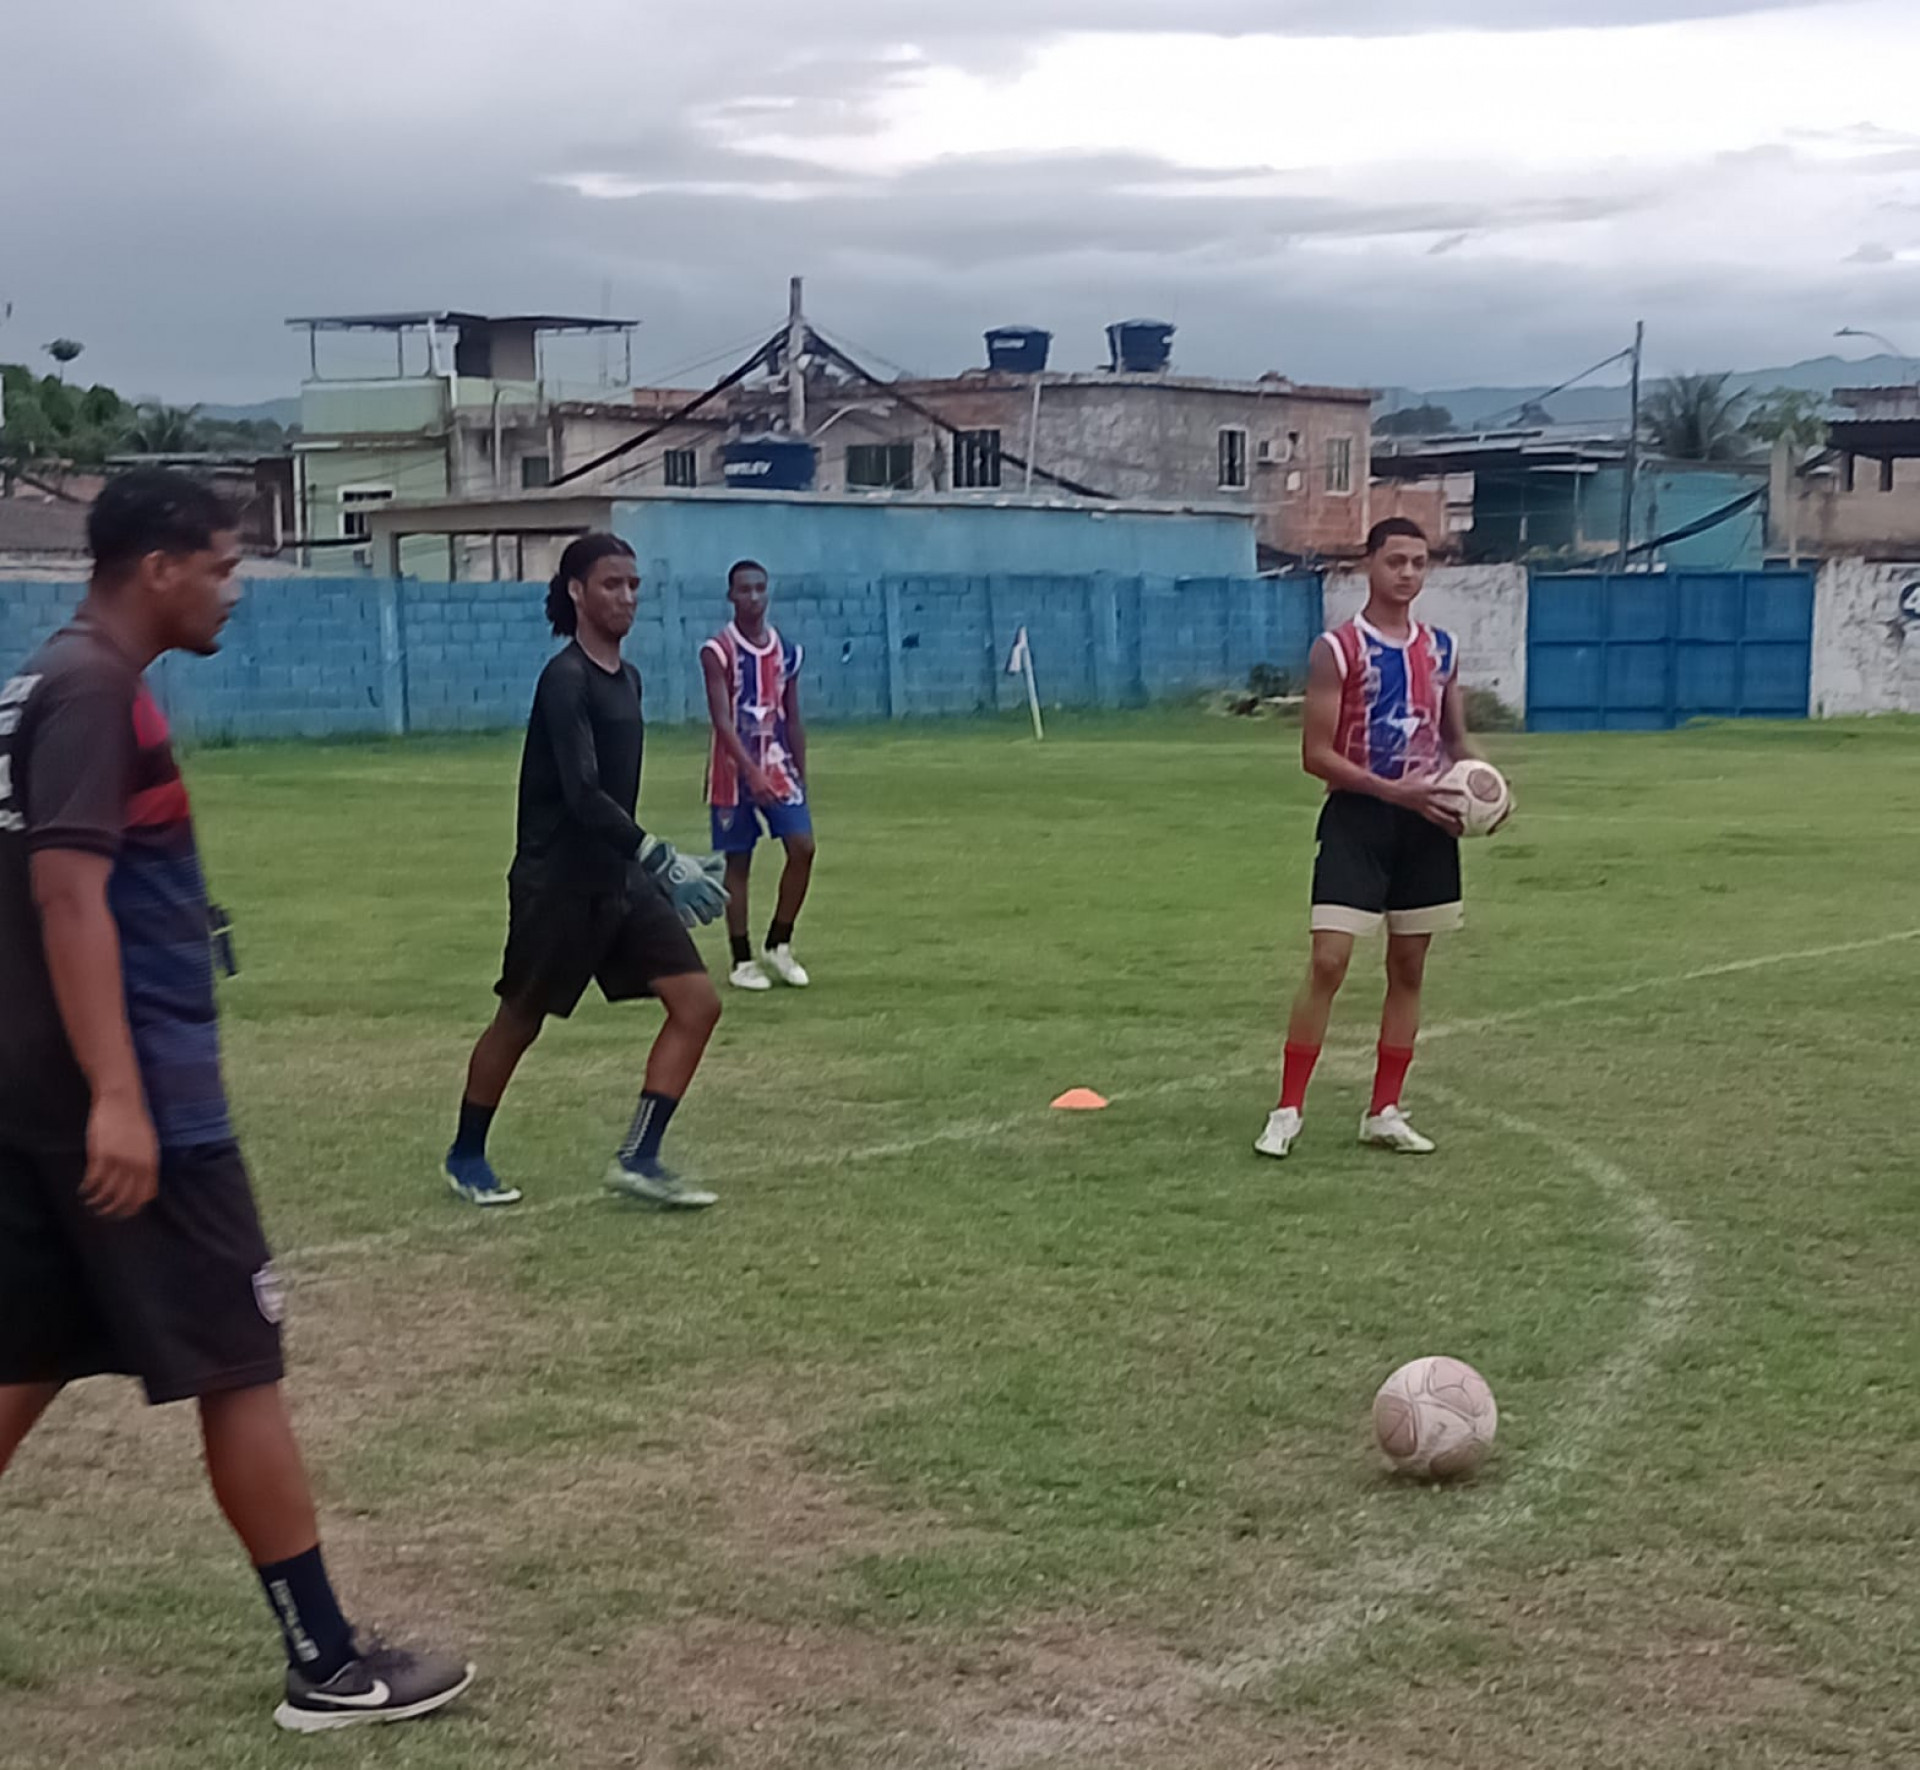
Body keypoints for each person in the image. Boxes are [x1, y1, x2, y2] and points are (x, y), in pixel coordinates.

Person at [0, 469, 473, 1733]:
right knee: (239, 1364)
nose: (236, 587)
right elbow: (64, 897)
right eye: (221, 563)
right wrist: (118, 1097)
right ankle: (326, 1660)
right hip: (135, 1104)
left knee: (24, 1361)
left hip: (34, 1096)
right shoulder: (96, 690)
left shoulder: (43, 678)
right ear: (156, 565)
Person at [446, 533, 729, 1211]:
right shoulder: (564, 678)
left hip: (622, 878)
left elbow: (613, 804)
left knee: (698, 1004)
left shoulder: (628, 678)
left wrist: (646, 864)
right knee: (520, 1018)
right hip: (558, 881)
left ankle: (639, 1155)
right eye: (611, 584)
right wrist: (656, 853)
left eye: (633, 585)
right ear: (576, 591)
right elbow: (581, 793)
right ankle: (465, 1154)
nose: (626, 597)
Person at [1256, 516, 1491, 1162]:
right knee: (1329, 961)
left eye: (1418, 562)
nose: (1408, 573)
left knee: (1409, 966)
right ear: (1369, 564)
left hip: (1426, 825)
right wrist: (1394, 792)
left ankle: (1384, 1109)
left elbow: (1454, 740)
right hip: (1359, 819)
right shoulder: (1338, 649)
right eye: (1396, 561)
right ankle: (1287, 1109)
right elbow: (1315, 755)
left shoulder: (1441, 649)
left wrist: (1484, 787)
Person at [701, 560, 815, 992]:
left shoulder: (787, 651)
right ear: (730, 596)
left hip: (777, 765)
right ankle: (742, 958)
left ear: (768, 593)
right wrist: (750, 773)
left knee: (803, 848)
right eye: (743, 590)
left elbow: (793, 716)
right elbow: (722, 719)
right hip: (732, 771)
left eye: (759, 589)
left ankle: (779, 944)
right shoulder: (718, 651)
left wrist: (799, 775)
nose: (752, 597)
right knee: (739, 861)